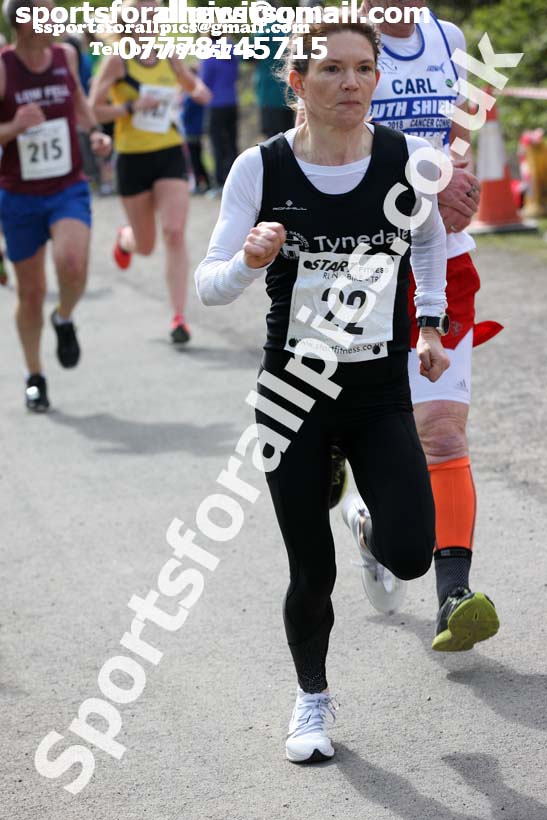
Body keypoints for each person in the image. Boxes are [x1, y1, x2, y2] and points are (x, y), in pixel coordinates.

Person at [196, 22, 450, 762]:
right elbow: (211, 288)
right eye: (331, 69)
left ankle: (368, 526)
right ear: (297, 82)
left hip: (376, 391)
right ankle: (310, 702)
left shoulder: (408, 160)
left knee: (411, 557)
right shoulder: (260, 168)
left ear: (376, 78)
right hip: (291, 394)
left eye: (362, 68)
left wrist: (428, 323)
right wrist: (247, 261)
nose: (350, 83)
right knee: (312, 570)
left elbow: (428, 239)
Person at [337, 0, 501, 652]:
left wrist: (460, 173)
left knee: (439, 429)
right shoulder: (340, 43)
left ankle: (452, 596)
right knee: (374, 428)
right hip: (359, 266)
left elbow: (462, 125)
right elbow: (326, 148)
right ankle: (374, 524)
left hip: (443, 260)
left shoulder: (448, 35)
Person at [0, 0, 111, 412]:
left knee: (73, 263)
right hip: (19, 195)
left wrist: (95, 132)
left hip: (67, 186)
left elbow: (79, 100)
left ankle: (64, 317)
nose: (58, 20)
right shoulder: (4, 67)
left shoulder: (65, 54)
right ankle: (35, 376)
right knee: (30, 293)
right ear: (23, 21)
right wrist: (13, 126)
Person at [89, 0, 211, 345]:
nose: (152, 17)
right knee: (145, 245)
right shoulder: (117, 60)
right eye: (144, 11)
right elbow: (91, 108)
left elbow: (189, 83)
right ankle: (126, 239)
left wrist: (200, 92)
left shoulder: (168, 53)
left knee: (174, 232)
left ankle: (179, 317)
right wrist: (130, 107)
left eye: (156, 10)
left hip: (169, 151)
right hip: (131, 158)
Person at [200, 38, 238, 195]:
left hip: (215, 104)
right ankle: (234, 180)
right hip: (232, 102)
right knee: (231, 143)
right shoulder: (233, 52)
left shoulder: (209, 53)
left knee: (217, 144)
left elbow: (204, 81)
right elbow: (237, 76)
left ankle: (220, 182)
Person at [181, 65, 211, 195]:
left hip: (191, 130)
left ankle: (201, 182)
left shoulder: (191, 95)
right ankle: (204, 181)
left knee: (194, 158)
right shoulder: (196, 95)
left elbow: (186, 115)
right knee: (196, 157)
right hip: (196, 130)